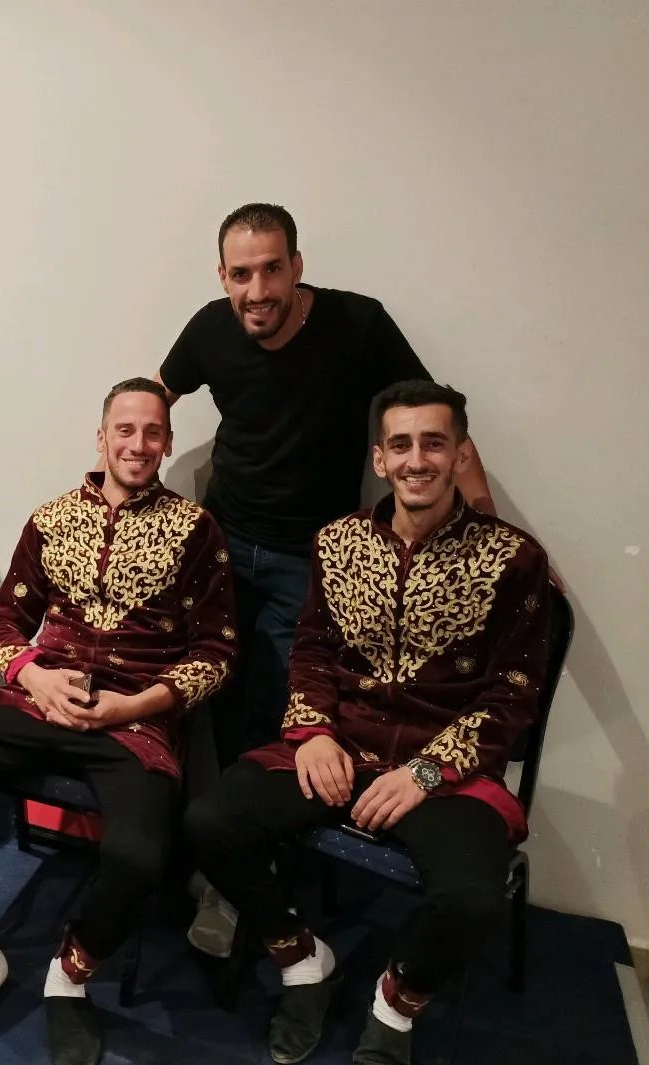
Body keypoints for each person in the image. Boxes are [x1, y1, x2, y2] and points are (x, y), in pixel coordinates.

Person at [156, 201, 498, 955]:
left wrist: (487, 527)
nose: (257, 291)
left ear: (297, 267)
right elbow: (154, 397)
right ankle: (217, 854)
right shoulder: (210, 328)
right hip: (221, 545)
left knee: (282, 710)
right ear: (222, 277)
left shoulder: (359, 324)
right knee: (213, 699)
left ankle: (243, 881)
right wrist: (116, 479)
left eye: (271, 270)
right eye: (240, 275)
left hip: (310, 559)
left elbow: (434, 418)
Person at [183, 379, 550, 1065]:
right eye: (400, 445)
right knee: (210, 822)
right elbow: (312, 651)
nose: (417, 460)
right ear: (379, 459)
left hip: (444, 768)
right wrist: (315, 731)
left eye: (434, 443)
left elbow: (515, 693)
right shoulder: (338, 542)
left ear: (460, 454)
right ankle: (303, 963)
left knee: (472, 896)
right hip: (342, 745)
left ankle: (395, 1007)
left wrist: (428, 772)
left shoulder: (514, 559)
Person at [0, 378, 238, 1065]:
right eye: (125, 430)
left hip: (134, 716)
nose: (138, 444)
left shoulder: (196, 531)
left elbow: (217, 652)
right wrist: (32, 675)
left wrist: (133, 707)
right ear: (101, 436)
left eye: (152, 432)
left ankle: (70, 975)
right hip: (38, 699)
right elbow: (4, 622)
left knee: (140, 856)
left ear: (168, 442)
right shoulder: (52, 518)